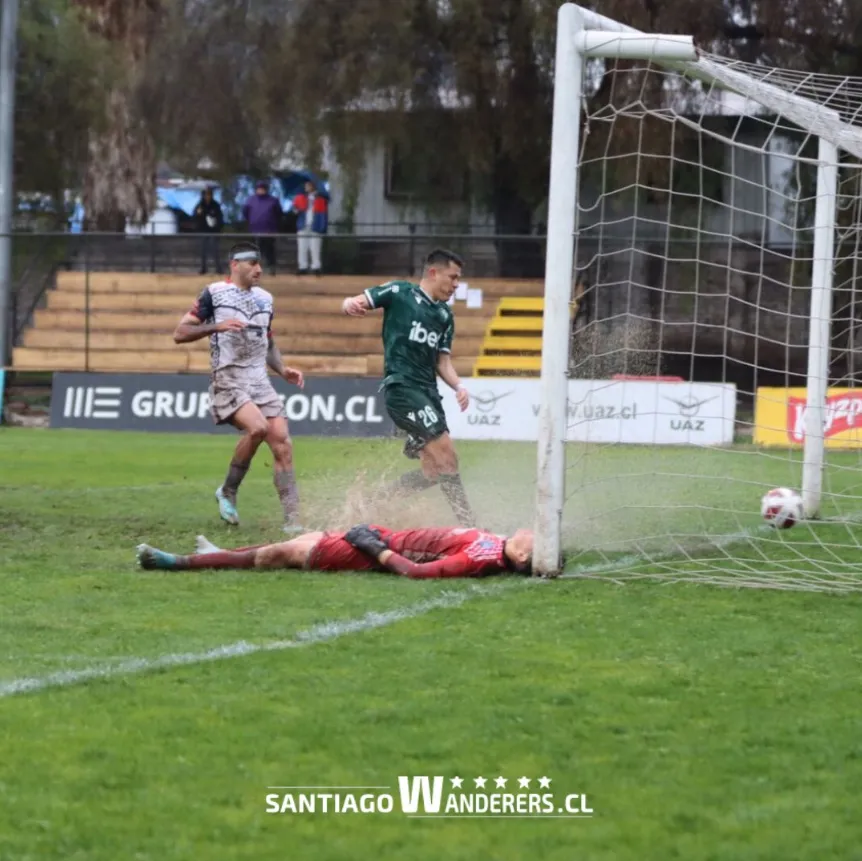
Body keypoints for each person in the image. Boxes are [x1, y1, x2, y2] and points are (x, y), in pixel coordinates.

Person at [173, 241, 305, 532]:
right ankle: (228, 490)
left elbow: (267, 341)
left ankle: (292, 519)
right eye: (252, 263)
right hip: (228, 379)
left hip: (260, 380)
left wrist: (282, 369)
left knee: (283, 444)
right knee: (258, 428)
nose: (258, 269)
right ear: (235, 265)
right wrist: (214, 327)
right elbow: (180, 333)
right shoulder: (214, 294)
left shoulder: (266, 299)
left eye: (260, 264)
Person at [340, 248, 476, 527]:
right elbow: (358, 300)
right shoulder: (400, 292)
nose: (456, 284)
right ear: (433, 272)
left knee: (435, 472)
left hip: (429, 393)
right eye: (452, 277)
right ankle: (469, 525)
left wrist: (459, 386)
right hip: (403, 387)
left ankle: (374, 502)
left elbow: (442, 362)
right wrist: (348, 304)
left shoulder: (444, 316)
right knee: (448, 457)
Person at [136, 524, 534, 579]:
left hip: (368, 550)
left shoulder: (483, 558)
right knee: (304, 538)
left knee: (282, 552)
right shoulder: (497, 542)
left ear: (520, 557)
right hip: (380, 535)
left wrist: (374, 549)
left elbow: (416, 573)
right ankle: (219, 552)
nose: (537, 533)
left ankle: (177, 562)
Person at [242, 180, 282, 274]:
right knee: (255, 250)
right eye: (259, 188)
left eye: (263, 188)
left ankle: (271, 268)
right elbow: (245, 213)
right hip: (255, 230)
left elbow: (279, 214)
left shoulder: (273, 200)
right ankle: (254, 269)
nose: (261, 190)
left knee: (269, 250)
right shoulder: (250, 200)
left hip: (269, 230)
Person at [292, 179, 328, 275]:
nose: (306, 187)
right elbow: (295, 210)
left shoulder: (320, 199)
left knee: (315, 247)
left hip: (315, 225)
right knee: (302, 247)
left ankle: (316, 266)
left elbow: (323, 214)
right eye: (306, 185)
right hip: (303, 225)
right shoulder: (301, 198)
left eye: (308, 185)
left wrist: (322, 227)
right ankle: (302, 266)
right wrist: (296, 209)